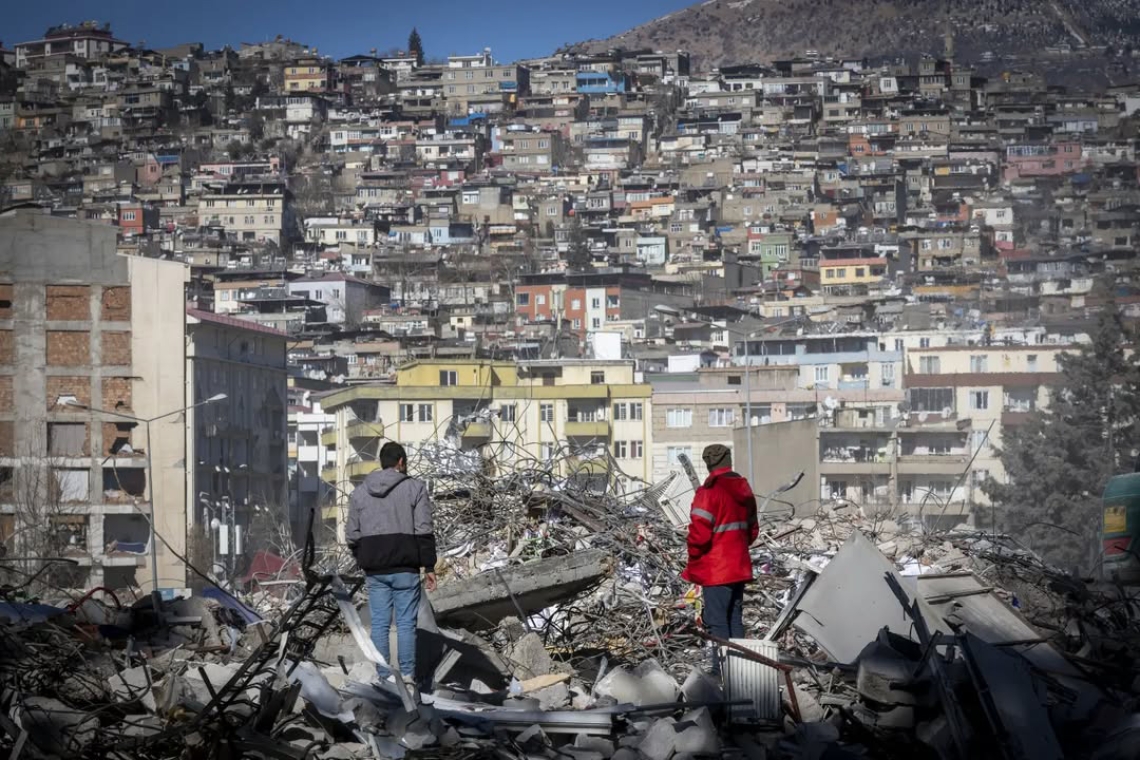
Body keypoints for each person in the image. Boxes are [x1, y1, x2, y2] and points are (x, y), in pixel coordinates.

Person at [345, 442, 438, 685]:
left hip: (375, 570)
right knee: (407, 624)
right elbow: (424, 530)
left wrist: (364, 558)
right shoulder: (415, 488)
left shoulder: (359, 492)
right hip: (406, 568)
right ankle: (407, 677)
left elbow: (352, 535)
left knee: (379, 625)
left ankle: (384, 677)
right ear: (400, 462)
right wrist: (429, 567)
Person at [681, 444, 759, 675]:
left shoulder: (709, 492)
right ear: (728, 460)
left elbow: (699, 535)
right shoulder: (744, 490)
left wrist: (695, 557)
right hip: (739, 567)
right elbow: (752, 529)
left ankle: (721, 673)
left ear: (708, 464)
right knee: (735, 619)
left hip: (717, 570)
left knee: (717, 622)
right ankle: (740, 672)